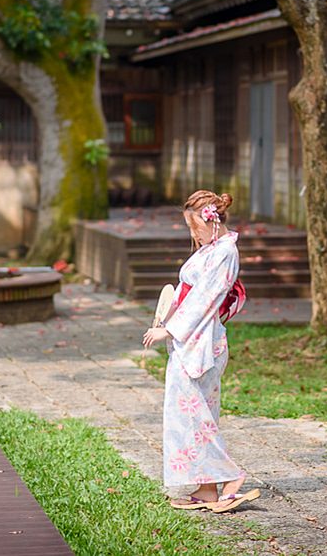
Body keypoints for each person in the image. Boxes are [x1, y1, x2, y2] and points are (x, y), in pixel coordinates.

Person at [142, 190, 260, 513]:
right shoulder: (211, 250)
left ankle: (231, 477)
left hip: (201, 341)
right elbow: (185, 292)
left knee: (192, 413)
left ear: (212, 221)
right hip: (194, 340)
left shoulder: (224, 253)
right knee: (198, 412)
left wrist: (170, 328)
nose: (192, 233)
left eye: (194, 226)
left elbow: (204, 299)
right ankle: (208, 488)